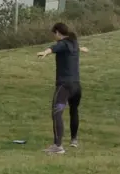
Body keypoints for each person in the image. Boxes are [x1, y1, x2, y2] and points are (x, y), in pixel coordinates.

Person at [36, 23, 89, 155]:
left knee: (56, 113)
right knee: (73, 110)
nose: (54, 37)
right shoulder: (74, 44)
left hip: (65, 86)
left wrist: (45, 52)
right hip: (76, 86)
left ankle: (58, 146)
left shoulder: (63, 43)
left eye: (54, 34)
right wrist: (82, 49)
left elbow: (54, 48)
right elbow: (76, 48)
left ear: (58, 33)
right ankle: (74, 140)